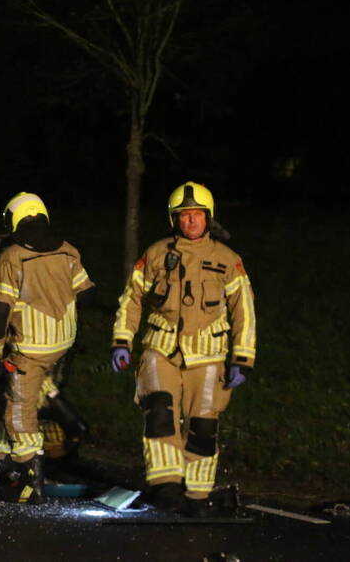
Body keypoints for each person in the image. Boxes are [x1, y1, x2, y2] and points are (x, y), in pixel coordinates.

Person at [111, 181, 256, 516]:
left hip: (209, 354)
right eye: (184, 215)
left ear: (208, 218)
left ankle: (197, 496)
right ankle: (167, 486)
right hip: (160, 348)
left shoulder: (227, 259)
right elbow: (131, 300)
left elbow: (244, 312)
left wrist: (242, 358)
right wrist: (122, 340)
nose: (191, 221)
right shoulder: (156, 254)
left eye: (197, 215)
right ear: (173, 219)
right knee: (159, 414)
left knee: (204, 428)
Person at [0, 192, 94, 504]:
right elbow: (86, 295)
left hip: (30, 346)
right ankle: (11, 462)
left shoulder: (12, 258)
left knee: (19, 409)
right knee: (30, 391)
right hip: (62, 342)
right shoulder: (69, 251)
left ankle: (28, 483)